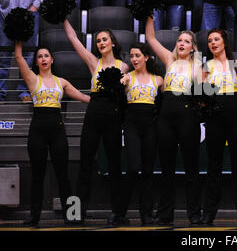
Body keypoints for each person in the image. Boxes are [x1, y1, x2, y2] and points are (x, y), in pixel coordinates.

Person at [15, 41, 90, 227]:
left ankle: (71, 215)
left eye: (46, 56)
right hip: (37, 130)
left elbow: (84, 97)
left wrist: (106, 98)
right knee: (37, 176)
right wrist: (18, 39)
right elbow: (18, 57)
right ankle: (34, 218)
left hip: (57, 130)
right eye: (39, 56)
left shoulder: (61, 82)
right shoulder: (32, 79)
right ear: (37, 62)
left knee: (63, 175)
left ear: (52, 59)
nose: (43, 59)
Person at [63, 19, 129, 225]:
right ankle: (76, 213)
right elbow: (74, 38)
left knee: (115, 164)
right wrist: (64, 16)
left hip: (114, 114)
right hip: (94, 113)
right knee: (85, 164)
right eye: (98, 40)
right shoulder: (94, 62)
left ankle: (118, 213)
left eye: (104, 40)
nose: (101, 43)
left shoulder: (124, 66)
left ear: (113, 43)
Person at [145, 16, 203, 225]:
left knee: (191, 169)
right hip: (166, 118)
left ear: (193, 48)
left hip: (188, 117)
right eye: (180, 40)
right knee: (167, 169)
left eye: (187, 41)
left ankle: (195, 214)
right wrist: (149, 12)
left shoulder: (198, 67)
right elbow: (150, 38)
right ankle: (164, 215)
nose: (182, 43)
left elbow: (206, 93)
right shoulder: (169, 60)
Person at [200, 28, 237, 225]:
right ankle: (208, 214)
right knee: (214, 166)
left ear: (224, 42)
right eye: (210, 40)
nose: (213, 43)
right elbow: (201, 96)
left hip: (236, 114)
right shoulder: (205, 66)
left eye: (216, 39)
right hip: (215, 117)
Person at [0, 0, 51, 102]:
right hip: (3, 14)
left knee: (29, 55)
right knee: (2, 55)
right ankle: (0, 92)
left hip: (30, 13)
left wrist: (35, 7)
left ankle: (25, 92)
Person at [117, 42, 163, 225]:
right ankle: (120, 213)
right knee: (133, 168)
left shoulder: (158, 80)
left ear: (146, 57)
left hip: (150, 125)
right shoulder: (127, 78)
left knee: (148, 171)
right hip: (132, 125)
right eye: (131, 56)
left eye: (137, 55)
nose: (134, 59)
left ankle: (146, 214)